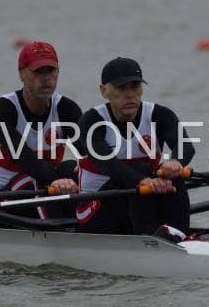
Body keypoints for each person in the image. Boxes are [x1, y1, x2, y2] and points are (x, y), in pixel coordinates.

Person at [76, 57, 195, 242]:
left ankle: (176, 231)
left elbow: (186, 146)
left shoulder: (160, 115)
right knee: (140, 171)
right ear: (104, 90)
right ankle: (148, 241)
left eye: (135, 86)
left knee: (172, 174)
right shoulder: (91, 121)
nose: (130, 94)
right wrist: (143, 180)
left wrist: (174, 163)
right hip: (95, 211)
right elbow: (108, 163)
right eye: (122, 88)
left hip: (140, 202)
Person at [0, 41, 82, 218]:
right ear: (21, 74)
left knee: (74, 168)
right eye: (38, 71)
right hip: (6, 200)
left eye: (51, 70)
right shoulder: (2, 109)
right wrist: (55, 181)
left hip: (49, 189)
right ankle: (57, 231)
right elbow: (24, 158)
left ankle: (86, 224)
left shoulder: (66, 109)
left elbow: (90, 155)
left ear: (58, 72)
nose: (46, 78)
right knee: (37, 176)